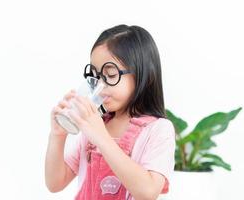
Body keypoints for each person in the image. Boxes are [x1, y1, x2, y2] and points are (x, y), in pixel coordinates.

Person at [45, 24, 175, 200]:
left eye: (111, 75)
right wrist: (57, 136)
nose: (100, 86)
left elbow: (147, 192)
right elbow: (54, 183)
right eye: (96, 76)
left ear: (144, 74)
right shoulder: (94, 125)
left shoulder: (158, 130)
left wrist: (101, 137)